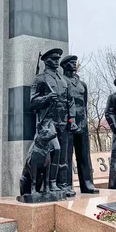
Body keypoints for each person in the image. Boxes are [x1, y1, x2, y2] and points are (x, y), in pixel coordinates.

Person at [30, 48, 78, 197]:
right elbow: (32, 102)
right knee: (55, 151)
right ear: (46, 61)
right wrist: (46, 98)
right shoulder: (40, 79)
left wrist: (72, 120)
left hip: (64, 121)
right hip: (48, 121)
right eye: (54, 59)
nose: (57, 61)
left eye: (58, 58)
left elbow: (71, 102)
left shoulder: (64, 80)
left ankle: (63, 185)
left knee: (64, 155)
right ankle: (50, 183)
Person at [60, 54, 99, 194]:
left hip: (82, 124)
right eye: (71, 62)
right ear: (64, 65)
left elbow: (84, 105)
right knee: (66, 156)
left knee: (84, 154)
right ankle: (66, 185)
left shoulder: (82, 85)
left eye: (75, 62)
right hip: (67, 124)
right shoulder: (62, 82)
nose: (74, 64)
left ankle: (87, 184)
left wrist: (85, 121)